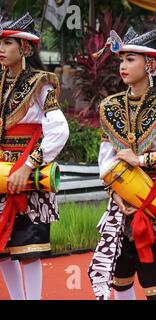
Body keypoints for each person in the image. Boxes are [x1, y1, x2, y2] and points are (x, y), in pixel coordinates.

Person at [88, 26, 156, 300]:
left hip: (155, 197)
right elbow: (106, 158)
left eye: (130, 59)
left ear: (150, 64)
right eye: (121, 59)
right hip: (122, 197)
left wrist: (144, 159)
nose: (123, 65)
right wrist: (115, 192)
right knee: (120, 280)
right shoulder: (110, 106)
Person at [0, 12, 69, 300]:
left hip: (28, 169)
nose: (1, 49)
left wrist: (29, 165)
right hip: (2, 172)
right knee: (2, 251)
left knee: (28, 250)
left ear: (25, 48)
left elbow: (59, 130)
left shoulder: (42, 83)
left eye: (8, 43)